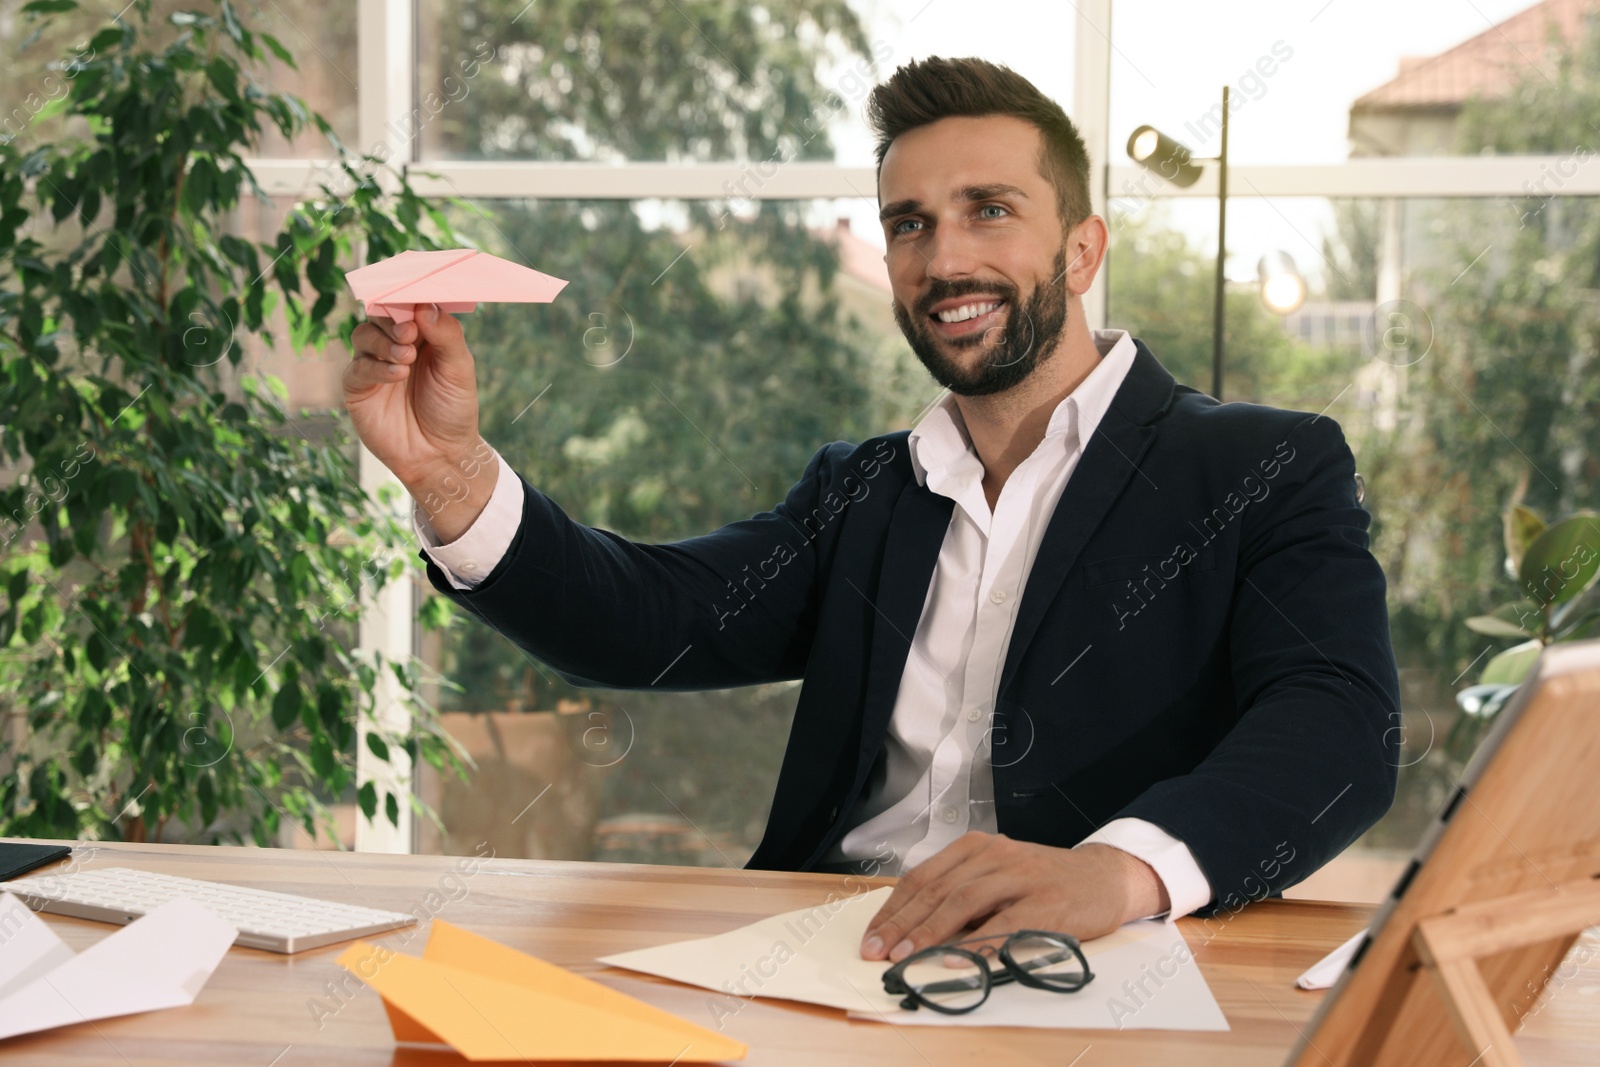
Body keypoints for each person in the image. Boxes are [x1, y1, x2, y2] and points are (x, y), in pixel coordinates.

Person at [342, 56, 1400, 965]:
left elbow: (1339, 724)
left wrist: (1118, 870)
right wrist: (448, 473)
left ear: (1082, 249)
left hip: (1095, 966)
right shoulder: (863, 494)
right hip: (826, 951)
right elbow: (651, 621)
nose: (945, 261)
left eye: (990, 209)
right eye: (910, 224)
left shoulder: (1262, 465)